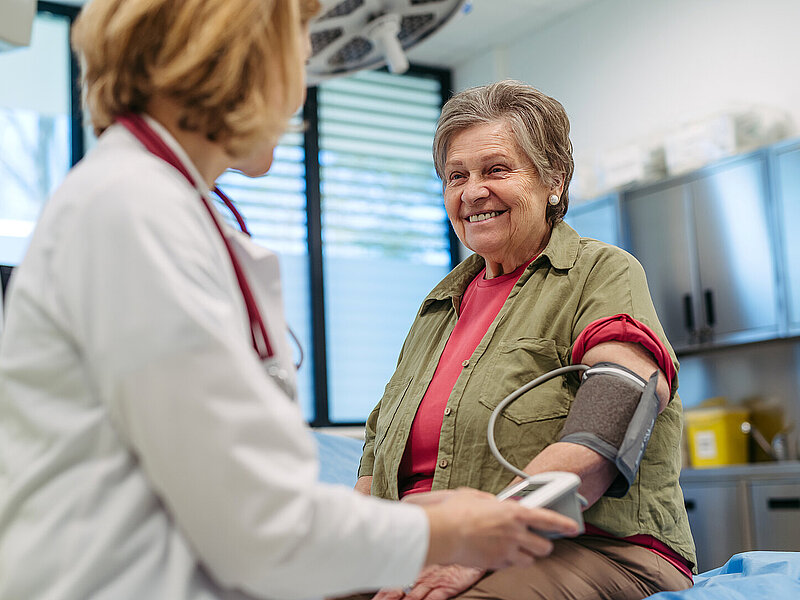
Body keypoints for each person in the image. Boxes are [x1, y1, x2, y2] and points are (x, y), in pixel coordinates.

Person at [0, 4, 580, 600]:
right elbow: (259, 524)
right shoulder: (132, 212)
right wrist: (445, 529)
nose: (299, 93)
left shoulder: (158, 206)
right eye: (297, 58)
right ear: (236, 57)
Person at [349, 81, 696, 600]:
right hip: (425, 547)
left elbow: (613, 413)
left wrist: (478, 544)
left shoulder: (599, 273)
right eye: (456, 176)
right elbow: (377, 461)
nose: (472, 192)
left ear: (552, 179)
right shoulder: (437, 308)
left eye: (496, 170)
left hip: (590, 546)